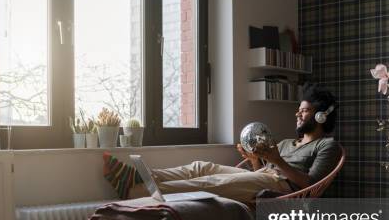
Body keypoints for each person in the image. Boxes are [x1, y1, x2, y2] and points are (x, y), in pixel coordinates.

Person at [103, 86, 342, 203]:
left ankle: (137, 191)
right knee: (201, 167)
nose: (298, 115)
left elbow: (311, 185)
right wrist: (255, 161)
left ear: (321, 116)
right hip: (267, 175)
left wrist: (277, 160)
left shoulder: (326, 146)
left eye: (305, 111)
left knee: (211, 182)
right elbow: (263, 171)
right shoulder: (288, 142)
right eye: (298, 111)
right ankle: (136, 176)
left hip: (284, 189)